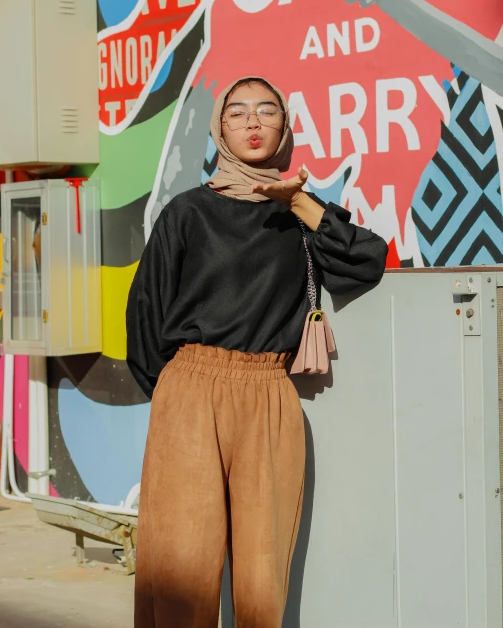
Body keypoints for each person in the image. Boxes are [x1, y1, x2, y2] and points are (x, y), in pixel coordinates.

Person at [126, 76, 388, 628]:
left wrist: (299, 200)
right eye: (238, 112)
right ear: (220, 127)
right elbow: (146, 314)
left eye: (266, 111)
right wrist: (179, 395)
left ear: (283, 127)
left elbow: (367, 259)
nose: (252, 122)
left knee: (263, 579)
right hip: (191, 392)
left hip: (270, 392)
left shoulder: (299, 213)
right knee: (181, 571)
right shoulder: (187, 212)